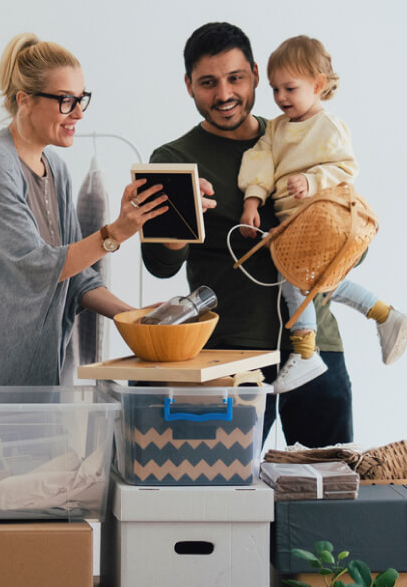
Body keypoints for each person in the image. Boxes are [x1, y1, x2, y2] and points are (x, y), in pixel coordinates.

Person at [0, 32, 181, 386]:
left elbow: (76, 275)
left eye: (82, 99)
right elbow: (37, 267)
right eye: (66, 100)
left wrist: (139, 319)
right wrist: (115, 234)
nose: (79, 113)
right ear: (25, 100)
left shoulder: (57, 170)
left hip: (28, 380)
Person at [141, 22, 353, 447]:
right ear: (188, 85)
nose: (224, 95)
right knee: (226, 501)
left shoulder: (305, 137)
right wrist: (179, 226)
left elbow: (350, 239)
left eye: (235, 78)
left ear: (256, 74)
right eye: (207, 83)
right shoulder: (174, 160)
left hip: (316, 347)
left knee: (326, 501)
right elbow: (161, 266)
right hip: (229, 353)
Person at [237, 35, 407, 392]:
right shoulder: (276, 129)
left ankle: (305, 353)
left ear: (318, 85)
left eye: (290, 88)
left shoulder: (328, 126)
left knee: (295, 282)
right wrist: (252, 201)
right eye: (274, 90)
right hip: (290, 225)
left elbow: (345, 169)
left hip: (319, 221)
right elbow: (260, 162)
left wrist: (311, 180)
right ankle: (384, 314)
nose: (281, 97)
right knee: (319, 283)